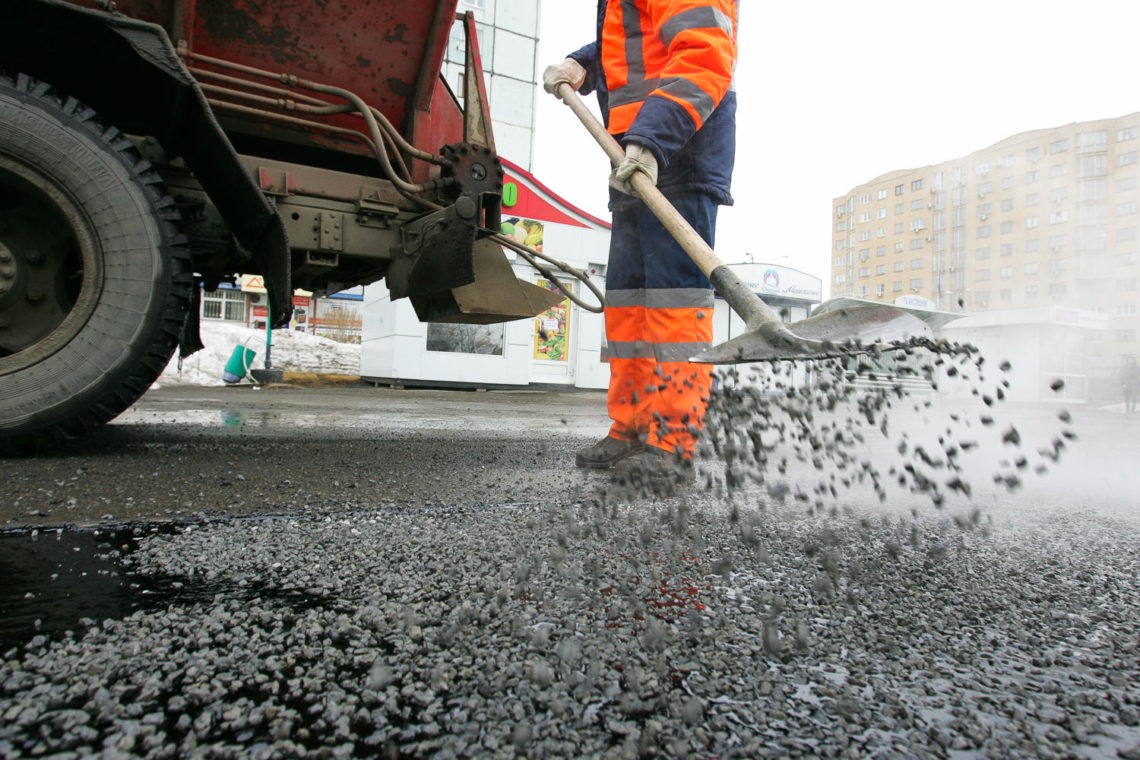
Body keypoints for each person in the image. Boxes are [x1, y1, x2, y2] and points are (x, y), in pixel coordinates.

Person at [543, 0, 739, 493]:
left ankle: (673, 440)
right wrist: (582, 63)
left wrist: (652, 140)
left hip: (677, 152)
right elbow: (628, 46)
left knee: (673, 308)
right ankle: (630, 427)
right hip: (628, 155)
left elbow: (705, 54)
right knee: (628, 305)